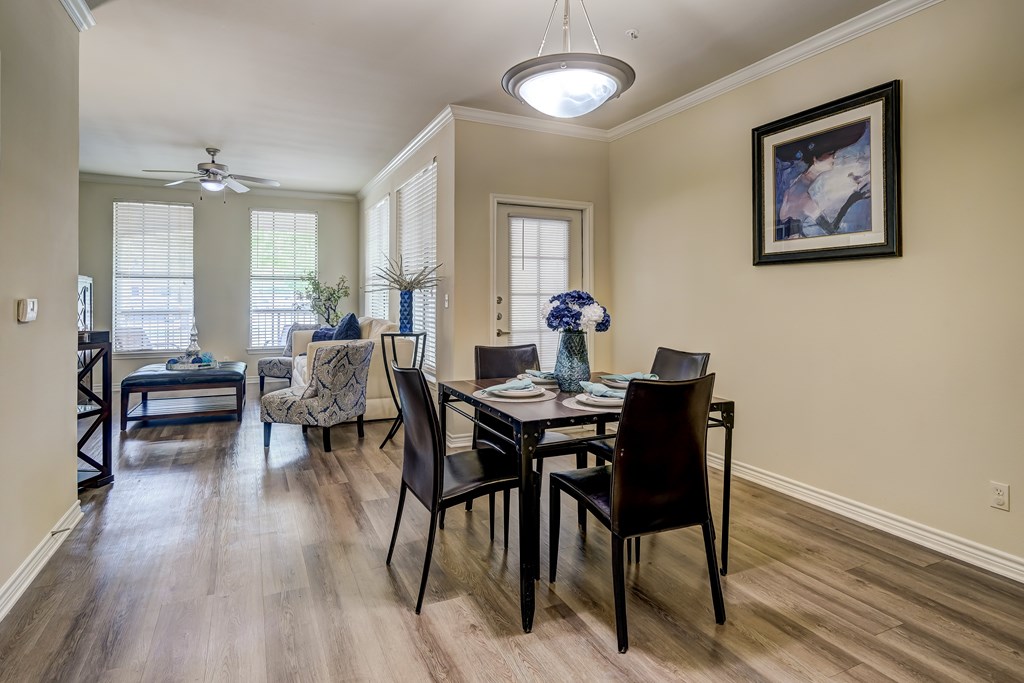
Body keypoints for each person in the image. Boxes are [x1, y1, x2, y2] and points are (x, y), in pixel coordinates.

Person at [776, 120, 870, 240]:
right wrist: (852, 199)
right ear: (815, 159)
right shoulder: (806, 201)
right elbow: (832, 229)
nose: (834, 157)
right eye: (831, 153)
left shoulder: (794, 183)